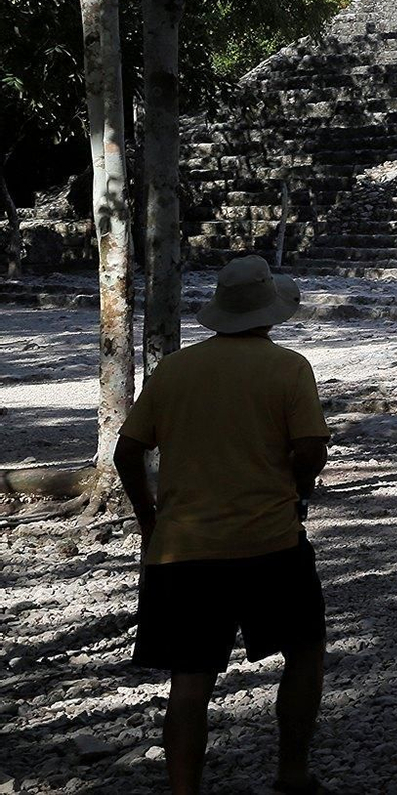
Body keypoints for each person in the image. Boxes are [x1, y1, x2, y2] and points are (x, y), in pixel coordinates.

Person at [112, 255, 331, 795]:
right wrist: (297, 486)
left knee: (190, 680)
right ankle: (293, 773)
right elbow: (310, 448)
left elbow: (127, 452)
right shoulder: (288, 367)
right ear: (270, 311)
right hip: (270, 541)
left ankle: (184, 790)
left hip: (184, 547)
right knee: (305, 651)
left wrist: (149, 519)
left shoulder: (174, 370)